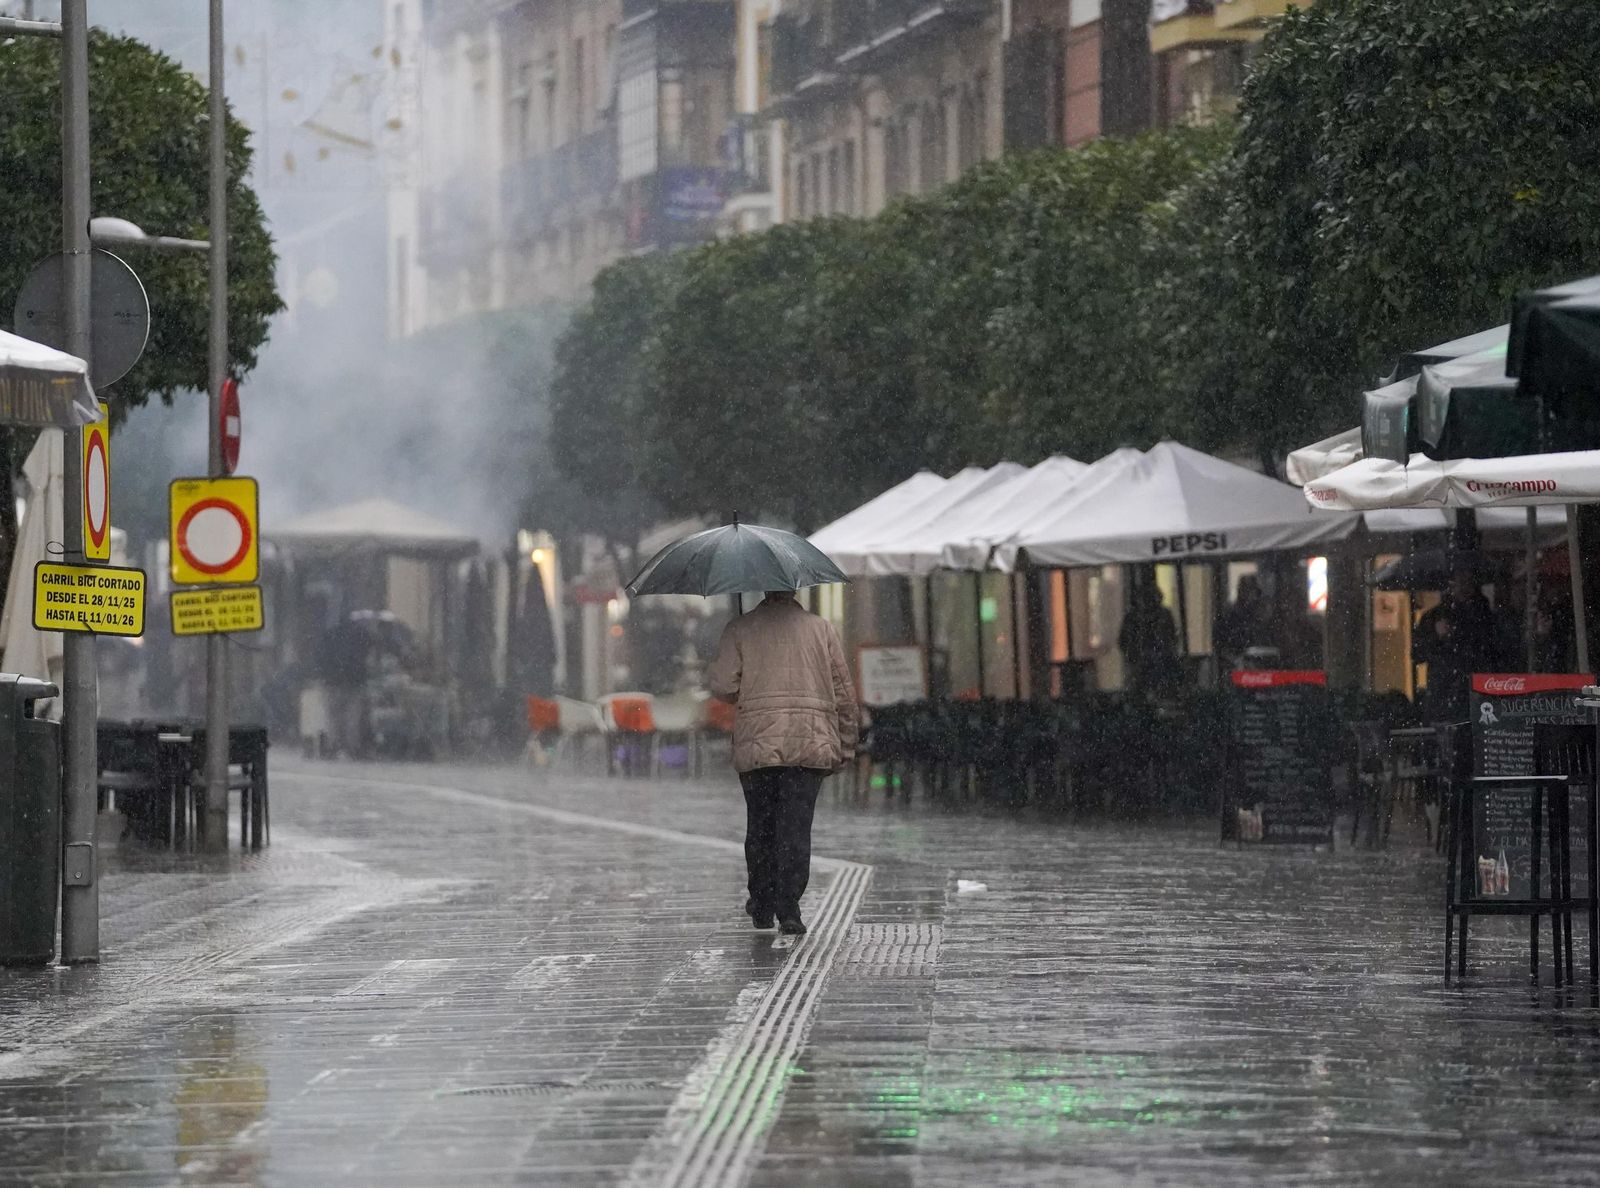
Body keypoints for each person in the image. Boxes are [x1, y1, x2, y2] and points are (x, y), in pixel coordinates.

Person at [707, 590, 858, 936]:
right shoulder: (821, 629)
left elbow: (722, 684)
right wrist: (846, 745)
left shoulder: (741, 627)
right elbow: (844, 694)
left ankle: (761, 902)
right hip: (809, 742)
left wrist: (748, 682)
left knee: (760, 825)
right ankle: (789, 907)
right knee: (795, 827)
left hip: (758, 744)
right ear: (794, 589)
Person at [1413, 568, 1500, 721]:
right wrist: (1437, 636)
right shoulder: (1434, 617)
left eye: (1467, 582)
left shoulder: (1482, 616)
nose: (1463, 587)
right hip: (1446, 692)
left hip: (1470, 692)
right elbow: (1417, 654)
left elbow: (1491, 651)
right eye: (1458, 582)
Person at [1119, 582, 1180, 692]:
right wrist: (1135, 658)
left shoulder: (1164, 615)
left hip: (1163, 665)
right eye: (1146, 599)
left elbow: (1172, 638)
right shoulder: (1133, 618)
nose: (1149, 603)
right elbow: (1123, 641)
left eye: (1151, 598)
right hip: (1140, 666)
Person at [1215, 576, 1269, 669]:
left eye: (1253, 592)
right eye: (1246, 591)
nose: (1251, 596)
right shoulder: (1229, 619)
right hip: (1238, 670)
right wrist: (1237, 660)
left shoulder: (1264, 617)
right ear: (1240, 592)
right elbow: (1220, 648)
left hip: (1264, 670)